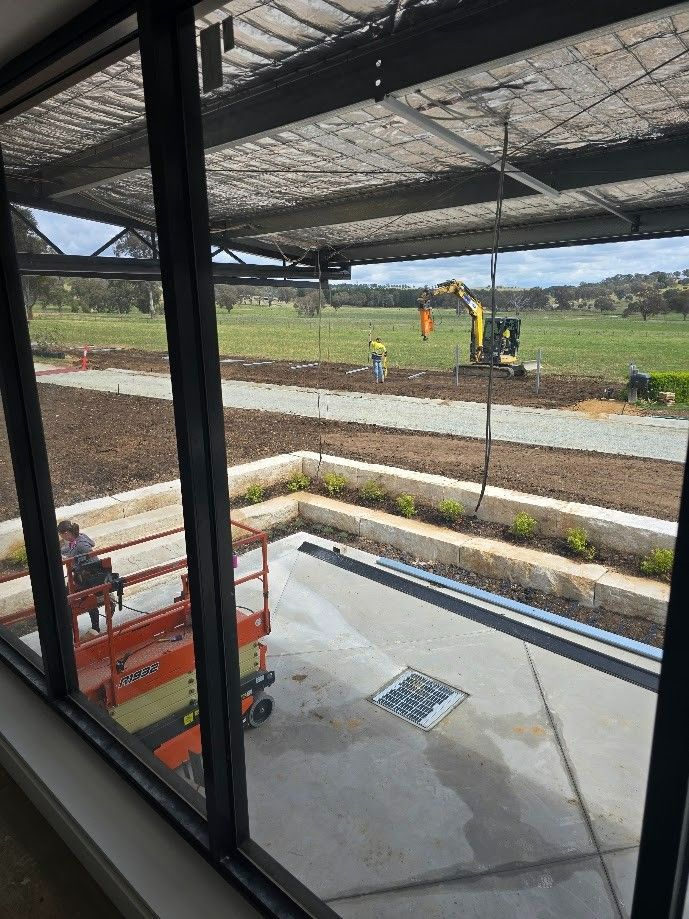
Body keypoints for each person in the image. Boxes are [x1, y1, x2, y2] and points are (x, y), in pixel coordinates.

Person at [57, 520, 100, 635]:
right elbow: (70, 549)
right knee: (67, 594)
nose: (61, 537)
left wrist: (75, 564)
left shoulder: (81, 544)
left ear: (66, 533)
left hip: (89, 578)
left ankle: (73, 627)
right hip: (85, 577)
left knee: (67, 597)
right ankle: (72, 625)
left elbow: (88, 557)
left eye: (61, 534)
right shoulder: (78, 538)